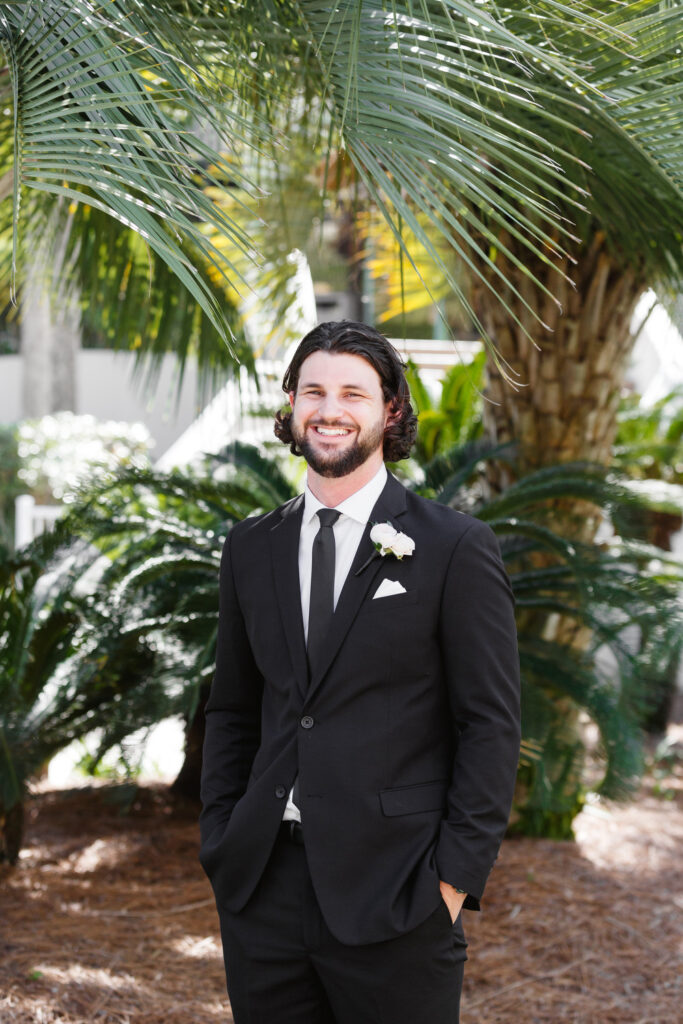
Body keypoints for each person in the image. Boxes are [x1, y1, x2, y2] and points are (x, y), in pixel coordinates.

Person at [199, 320, 521, 1024]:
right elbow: (230, 708)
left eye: (352, 392)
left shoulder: (454, 547)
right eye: (312, 390)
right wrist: (221, 837)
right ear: (289, 404)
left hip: (399, 887)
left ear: (390, 410)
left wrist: (452, 880)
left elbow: (489, 725)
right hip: (262, 889)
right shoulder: (251, 546)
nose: (330, 409)